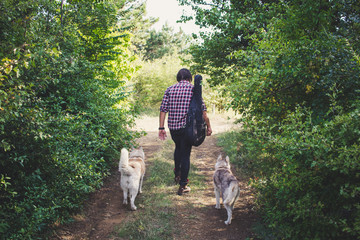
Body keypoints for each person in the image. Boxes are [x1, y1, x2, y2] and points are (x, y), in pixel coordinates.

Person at [158, 68, 212, 195]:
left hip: (173, 128)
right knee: (186, 153)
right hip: (188, 128)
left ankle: (177, 174)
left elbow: (163, 109)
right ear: (189, 78)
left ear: (178, 78)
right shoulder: (194, 90)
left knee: (178, 148)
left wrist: (161, 128)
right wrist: (208, 126)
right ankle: (183, 185)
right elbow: (203, 111)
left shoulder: (170, 89)